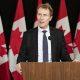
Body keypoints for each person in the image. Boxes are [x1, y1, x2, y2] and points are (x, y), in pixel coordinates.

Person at [16, 3, 72, 74]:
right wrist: (19, 63)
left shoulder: (58, 34)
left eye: (45, 15)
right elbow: (22, 56)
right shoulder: (28, 35)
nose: (41, 18)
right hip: (34, 72)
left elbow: (64, 55)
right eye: (39, 14)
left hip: (53, 73)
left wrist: (72, 63)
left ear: (50, 18)